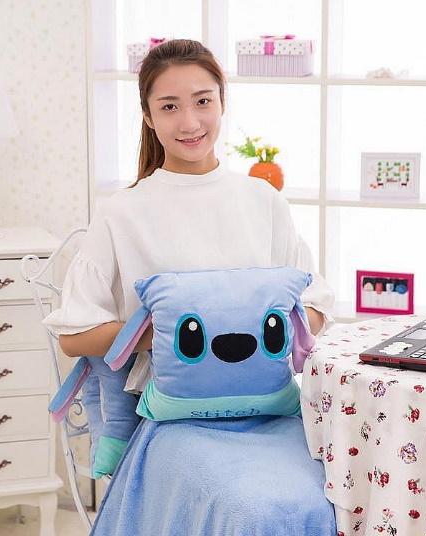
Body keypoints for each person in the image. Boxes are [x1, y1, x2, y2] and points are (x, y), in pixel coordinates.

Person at [43, 38, 334, 483]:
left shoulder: (263, 200)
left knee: (318, 490)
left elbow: (314, 306)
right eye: (169, 107)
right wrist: (173, 336)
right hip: (169, 417)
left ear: (222, 102)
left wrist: (258, 328)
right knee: (244, 503)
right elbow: (75, 336)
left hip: (269, 411)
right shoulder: (122, 213)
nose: (190, 122)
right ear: (148, 116)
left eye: (203, 101)